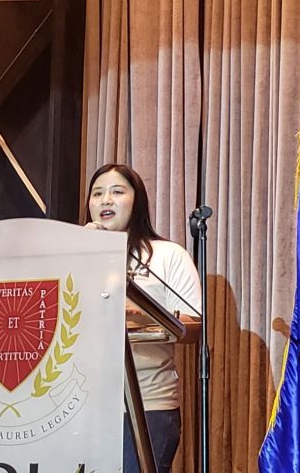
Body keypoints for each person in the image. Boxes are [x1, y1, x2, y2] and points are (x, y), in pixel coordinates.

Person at [83, 163, 201, 473]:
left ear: (137, 201)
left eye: (117, 192)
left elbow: (192, 328)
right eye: (97, 193)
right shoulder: (75, 257)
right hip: (81, 407)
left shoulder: (167, 255)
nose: (106, 200)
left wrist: (143, 314)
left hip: (147, 407)